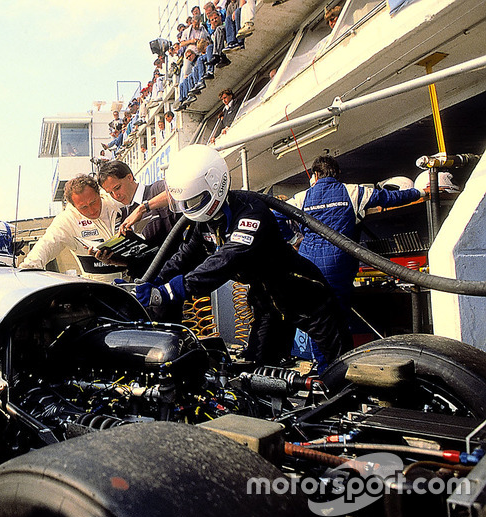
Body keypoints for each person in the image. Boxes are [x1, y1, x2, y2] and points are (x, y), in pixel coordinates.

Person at [134, 144, 351, 368]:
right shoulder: (206, 223)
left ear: (215, 185)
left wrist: (171, 291)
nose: (188, 208)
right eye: (185, 203)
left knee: (340, 370)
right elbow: (185, 256)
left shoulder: (251, 212)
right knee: (258, 370)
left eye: (193, 201)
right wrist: (152, 280)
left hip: (305, 294)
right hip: (267, 300)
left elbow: (227, 260)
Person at [275, 155, 425, 325]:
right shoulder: (354, 191)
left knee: (315, 318)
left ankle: (321, 349)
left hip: (308, 265)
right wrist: (421, 192)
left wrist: (295, 239)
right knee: (338, 317)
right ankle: (341, 350)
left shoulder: (301, 197)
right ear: (337, 173)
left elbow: (276, 215)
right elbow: (390, 198)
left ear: (315, 175)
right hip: (339, 264)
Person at [19, 174, 125, 282]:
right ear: (74, 205)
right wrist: (27, 269)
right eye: (83, 207)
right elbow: (47, 244)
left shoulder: (117, 203)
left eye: (93, 202)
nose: (92, 210)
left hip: (137, 278)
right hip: (101, 287)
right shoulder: (67, 220)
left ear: (99, 194)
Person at [97, 160, 179, 279]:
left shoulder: (155, 190)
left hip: (172, 276)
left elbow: (179, 192)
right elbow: (136, 257)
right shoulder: (125, 214)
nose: (116, 195)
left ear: (130, 177)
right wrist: (111, 260)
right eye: (110, 193)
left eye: (117, 188)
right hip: (143, 282)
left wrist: (143, 208)